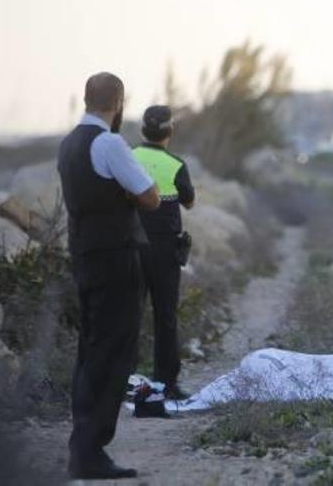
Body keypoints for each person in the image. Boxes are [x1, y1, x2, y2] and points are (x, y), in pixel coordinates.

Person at [57, 72, 160, 480]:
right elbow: (150, 197)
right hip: (115, 258)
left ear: (86, 98)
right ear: (118, 101)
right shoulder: (110, 142)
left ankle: (82, 445)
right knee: (114, 351)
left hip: (83, 256)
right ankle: (89, 451)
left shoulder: (68, 144)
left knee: (92, 349)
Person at [132, 105, 195, 400]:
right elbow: (190, 202)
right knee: (165, 317)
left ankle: (123, 381)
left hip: (130, 246)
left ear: (143, 130)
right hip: (165, 250)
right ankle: (165, 384)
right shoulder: (175, 164)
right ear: (170, 131)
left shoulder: (128, 158)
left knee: (128, 314)